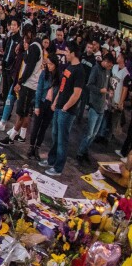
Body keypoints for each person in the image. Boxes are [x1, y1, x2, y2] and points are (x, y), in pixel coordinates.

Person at [40, 41, 85, 177]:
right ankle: (51, 160)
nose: (64, 54)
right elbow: (62, 87)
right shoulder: (69, 67)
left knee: (62, 139)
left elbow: (77, 93)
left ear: (72, 53)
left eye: (66, 51)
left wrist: (65, 107)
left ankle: (58, 168)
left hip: (67, 111)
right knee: (55, 135)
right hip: (59, 107)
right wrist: (56, 101)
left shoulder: (79, 71)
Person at [0, 27, 43, 145]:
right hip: (30, 84)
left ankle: (12, 137)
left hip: (28, 85)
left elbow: (29, 68)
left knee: (21, 112)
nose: (23, 41)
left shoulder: (34, 47)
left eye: (24, 38)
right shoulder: (36, 46)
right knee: (24, 111)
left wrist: (20, 82)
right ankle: (20, 135)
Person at [76, 52, 115, 165]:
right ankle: (80, 153)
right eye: (110, 65)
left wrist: (110, 89)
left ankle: (85, 151)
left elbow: (108, 84)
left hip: (102, 106)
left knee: (94, 134)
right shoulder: (95, 69)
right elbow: (89, 85)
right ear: (106, 61)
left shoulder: (108, 71)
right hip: (94, 104)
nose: (110, 67)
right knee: (89, 132)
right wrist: (99, 90)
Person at [27, 53, 61, 159]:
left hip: (50, 105)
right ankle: (31, 147)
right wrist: (36, 106)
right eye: (47, 64)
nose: (49, 66)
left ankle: (37, 148)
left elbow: (60, 91)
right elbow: (39, 90)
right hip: (41, 102)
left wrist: (55, 103)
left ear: (55, 64)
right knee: (36, 126)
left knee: (44, 127)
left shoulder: (59, 76)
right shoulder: (44, 74)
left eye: (51, 64)